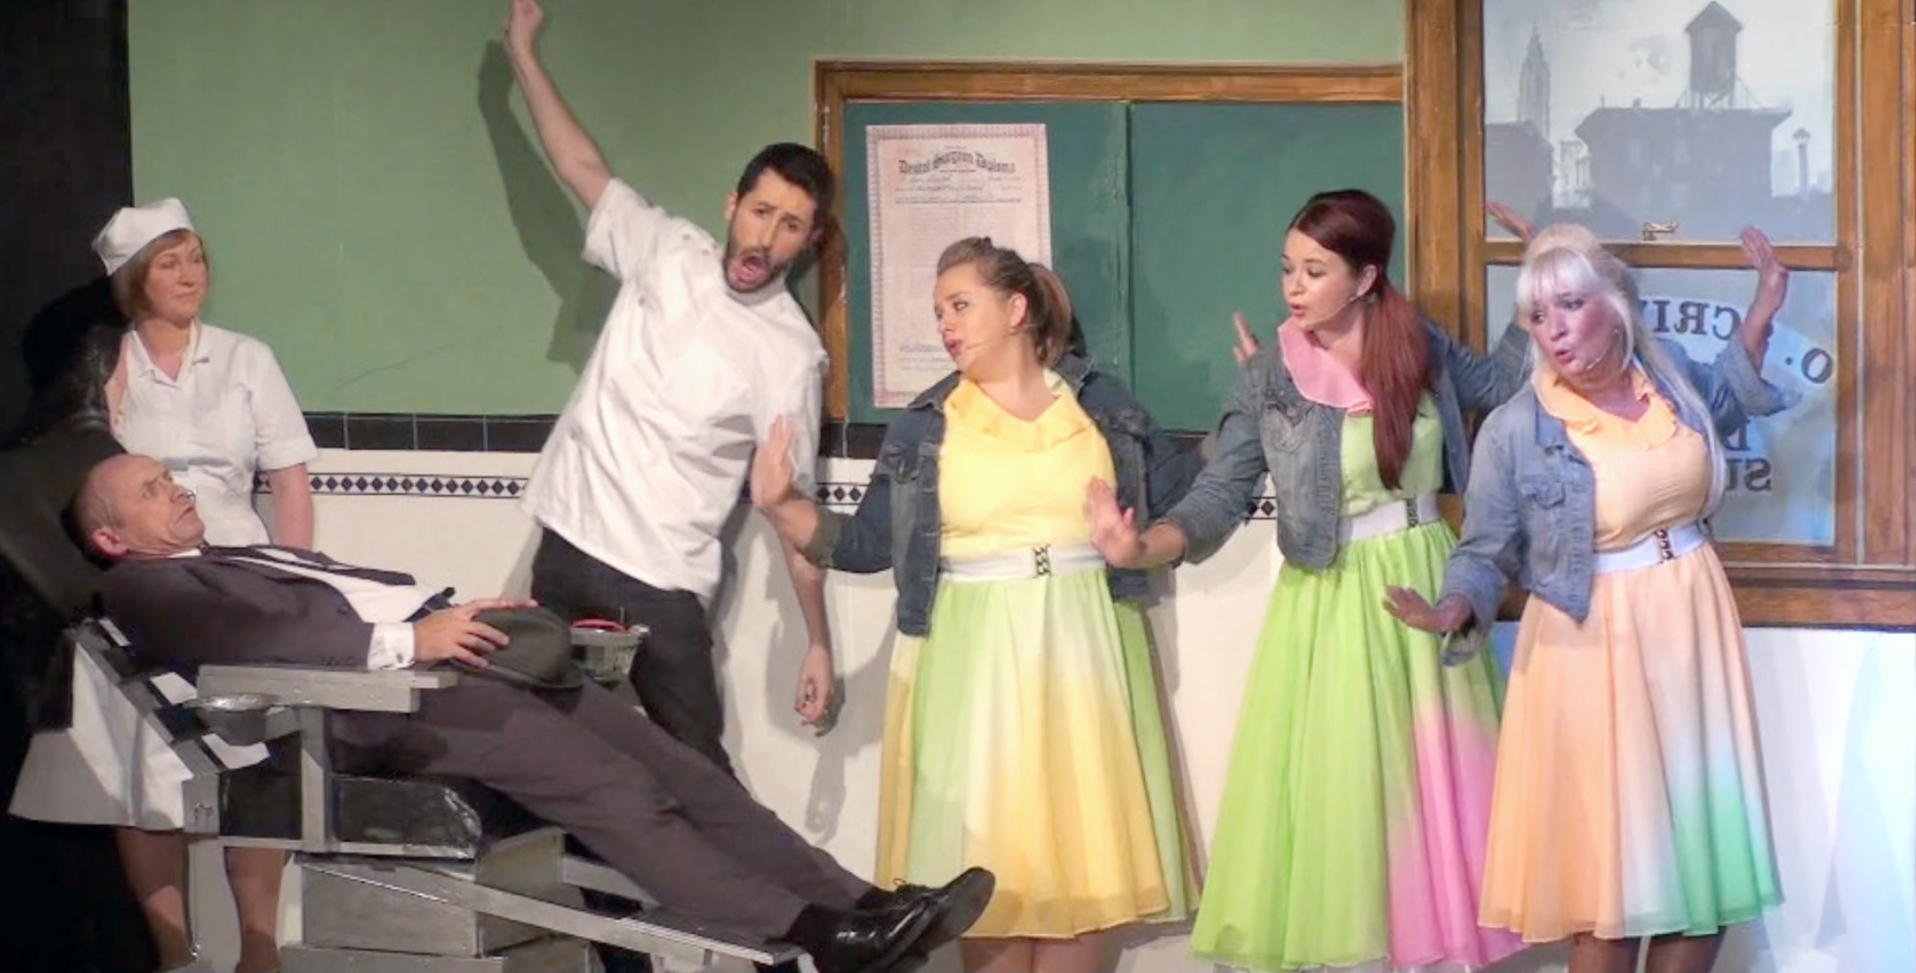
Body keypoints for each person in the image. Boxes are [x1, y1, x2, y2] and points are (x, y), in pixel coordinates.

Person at [74, 452, 996, 973]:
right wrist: (413, 640)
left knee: (687, 774)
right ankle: (817, 935)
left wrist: (456, 617)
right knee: (622, 795)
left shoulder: (227, 556)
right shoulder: (146, 589)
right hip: (384, 711)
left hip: (455, 669)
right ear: (112, 537)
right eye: (152, 490)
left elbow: (342, 609)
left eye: (169, 476)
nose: (177, 488)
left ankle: (865, 903)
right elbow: (268, 647)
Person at [1087, 190, 1529, 972]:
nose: (1294, 286)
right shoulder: (1271, 377)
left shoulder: (1418, 343)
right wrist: (1141, 546)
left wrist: (1536, 283)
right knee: (1346, 799)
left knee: (1433, 801)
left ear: (1366, 277)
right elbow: (1219, 494)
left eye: (1315, 271)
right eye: (1287, 268)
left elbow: (1499, 387)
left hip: (1425, 582)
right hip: (1329, 598)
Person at [749, 237, 1198, 973]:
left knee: (1086, 868)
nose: (946, 325)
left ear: (1016, 309)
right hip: (973, 667)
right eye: (938, 312)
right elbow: (864, 543)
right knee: (991, 872)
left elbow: (1190, 496)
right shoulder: (929, 423)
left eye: (960, 306)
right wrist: (782, 505)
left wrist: (1252, 418)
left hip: (1084, 659)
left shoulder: (1098, 403)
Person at [1383, 224, 1790, 973]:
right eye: (1539, 315)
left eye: (1571, 305)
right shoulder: (1517, 428)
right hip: (1591, 648)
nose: (1555, 329)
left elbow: (1729, 400)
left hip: (1691, 627)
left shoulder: (1668, 378)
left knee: (1704, 881)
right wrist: (1453, 608)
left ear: (1616, 303)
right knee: (1610, 890)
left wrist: (1765, 304)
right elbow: (1485, 548)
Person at [500, 0, 837, 772]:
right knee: (537, 757)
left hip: (661, 582)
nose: (765, 238)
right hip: (567, 545)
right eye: (760, 212)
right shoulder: (666, 250)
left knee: (694, 772)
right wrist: (523, 55)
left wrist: (817, 642)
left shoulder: (791, 354)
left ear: (808, 239)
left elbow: (793, 511)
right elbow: (580, 167)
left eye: (789, 225)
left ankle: (754, 863)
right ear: (733, 205)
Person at [9, 198, 317, 973]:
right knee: (146, 767)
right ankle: (175, 954)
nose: (190, 275)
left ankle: (258, 949)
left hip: (238, 578)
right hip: (147, 587)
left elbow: (290, 483)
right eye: (169, 263)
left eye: (196, 259)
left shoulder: (247, 359)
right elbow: (86, 475)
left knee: (257, 758)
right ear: (135, 281)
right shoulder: (107, 369)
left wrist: (296, 578)